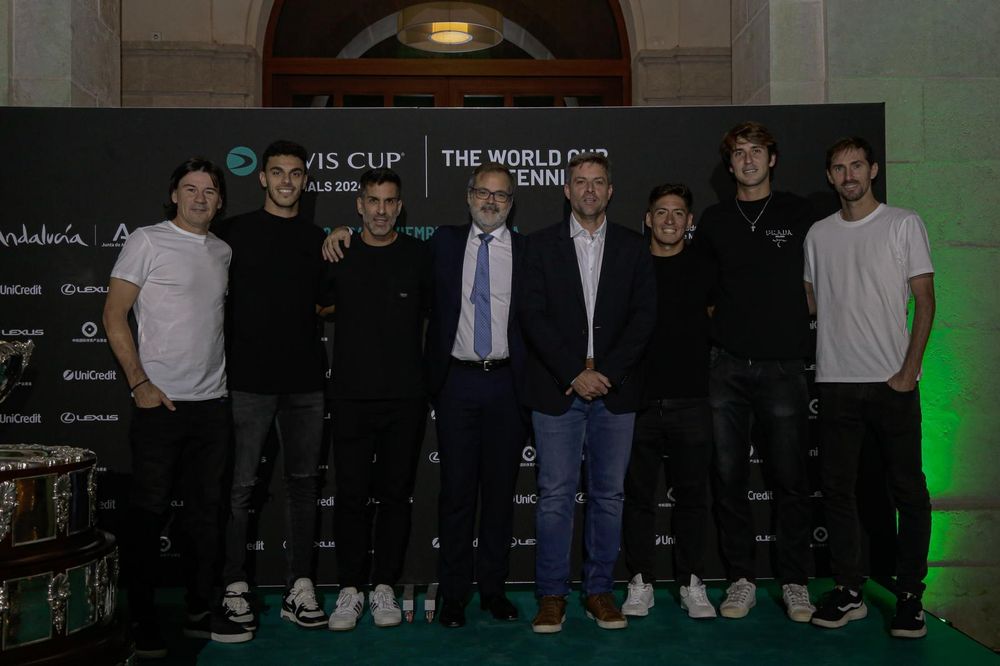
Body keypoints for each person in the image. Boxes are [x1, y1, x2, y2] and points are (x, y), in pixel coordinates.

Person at [103, 158, 251, 658]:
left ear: (220, 200)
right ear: (174, 195)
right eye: (190, 189)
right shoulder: (147, 240)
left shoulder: (222, 251)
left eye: (209, 190)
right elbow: (114, 314)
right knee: (148, 515)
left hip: (212, 405)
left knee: (206, 517)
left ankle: (198, 609)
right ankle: (141, 619)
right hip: (160, 404)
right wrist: (139, 383)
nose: (200, 198)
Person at [519, 152, 656, 633]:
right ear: (567, 190)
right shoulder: (539, 246)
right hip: (558, 389)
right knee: (555, 496)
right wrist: (574, 373)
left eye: (598, 182)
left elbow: (644, 317)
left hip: (615, 392)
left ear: (610, 191)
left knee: (609, 496)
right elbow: (532, 316)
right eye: (580, 181)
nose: (590, 190)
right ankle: (551, 595)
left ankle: (599, 590)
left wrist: (607, 374)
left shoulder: (633, 246)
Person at [805, 137, 934, 639]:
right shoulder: (818, 234)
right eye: (839, 168)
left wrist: (908, 370)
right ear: (830, 177)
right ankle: (850, 589)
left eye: (856, 165)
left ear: (873, 170)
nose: (849, 175)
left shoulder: (903, 223)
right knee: (838, 491)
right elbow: (813, 298)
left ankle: (910, 597)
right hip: (836, 382)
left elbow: (925, 299)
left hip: (890, 383)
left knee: (908, 490)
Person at [693, 121, 816, 622]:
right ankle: (740, 578)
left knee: (790, 479)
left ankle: (795, 581)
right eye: (739, 152)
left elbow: (820, 279)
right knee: (729, 478)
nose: (748, 160)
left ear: (772, 158)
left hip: (784, 367)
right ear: (730, 164)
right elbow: (702, 293)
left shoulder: (799, 213)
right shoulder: (715, 219)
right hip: (726, 368)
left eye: (756, 151)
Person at [212, 140, 331, 633]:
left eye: (296, 173)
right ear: (262, 177)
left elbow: (327, 302)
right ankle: (234, 584)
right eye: (278, 172)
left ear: (305, 180)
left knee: (303, 486)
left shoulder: (317, 238)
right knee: (240, 488)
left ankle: (298, 585)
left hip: (305, 383)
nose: (286, 181)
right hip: (247, 382)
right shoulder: (230, 233)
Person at [323, 168, 432, 631]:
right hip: (350, 396)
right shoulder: (339, 252)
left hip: (405, 398)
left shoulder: (419, 256)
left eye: (389, 201)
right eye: (373, 201)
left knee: (395, 496)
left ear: (400, 207)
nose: (381, 210)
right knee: (350, 495)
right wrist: (334, 236)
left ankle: (384, 584)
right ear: (360, 205)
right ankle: (350, 588)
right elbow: (317, 304)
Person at [427, 163, 528, 628]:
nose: (491, 201)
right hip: (457, 383)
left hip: (508, 384)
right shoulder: (443, 243)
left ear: (511, 203)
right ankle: (453, 595)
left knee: (500, 494)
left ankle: (493, 590)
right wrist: (342, 232)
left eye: (500, 195)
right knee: (457, 494)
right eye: (483, 192)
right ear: (469, 196)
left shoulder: (527, 251)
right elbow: (387, 250)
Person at [620, 184, 718, 620]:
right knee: (637, 497)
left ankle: (691, 582)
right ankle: (639, 581)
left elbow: (715, 319)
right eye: (661, 212)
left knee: (693, 498)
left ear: (689, 221)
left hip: (692, 400)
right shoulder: (631, 266)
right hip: (638, 403)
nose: (670, 220)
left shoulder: (704, 267)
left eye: (678, 213)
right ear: (648, 219)